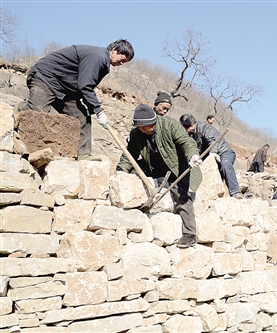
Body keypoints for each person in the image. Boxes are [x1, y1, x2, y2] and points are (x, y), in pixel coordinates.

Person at [18, 39, 135, 160]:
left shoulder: (103, 63)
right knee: (37, 112)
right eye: (122, 59)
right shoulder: (98, 57)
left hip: (66, 89)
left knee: (82, 117)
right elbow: (85, 86)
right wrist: (98, 111)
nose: (121, 64)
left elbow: (83, 87)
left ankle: (83, 154)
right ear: (114, 50)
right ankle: (24, 107)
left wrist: (92, 110)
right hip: (46, 78)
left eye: (124, 62)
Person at [116, 104, 203, 248]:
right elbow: (129, 156)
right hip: (155, 169)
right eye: (141, 127)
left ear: (155, 121)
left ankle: (190, 234)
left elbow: (186, 142)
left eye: (149, 126)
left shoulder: (170, 125)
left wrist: (193, 155)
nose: (145, 130)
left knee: (181, 195)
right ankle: (138, 210)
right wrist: (119, 173)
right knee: (132, 175)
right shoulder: (135, 134)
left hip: (177, 168)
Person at [179, 114, 243, 199]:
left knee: (225, 165)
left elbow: (213, 141)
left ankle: (236, 193)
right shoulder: (190, 134)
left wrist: (213, 153)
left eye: (184, 127)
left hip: (224, 152)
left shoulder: (204, 127)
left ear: (189, 125)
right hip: (208, 156)